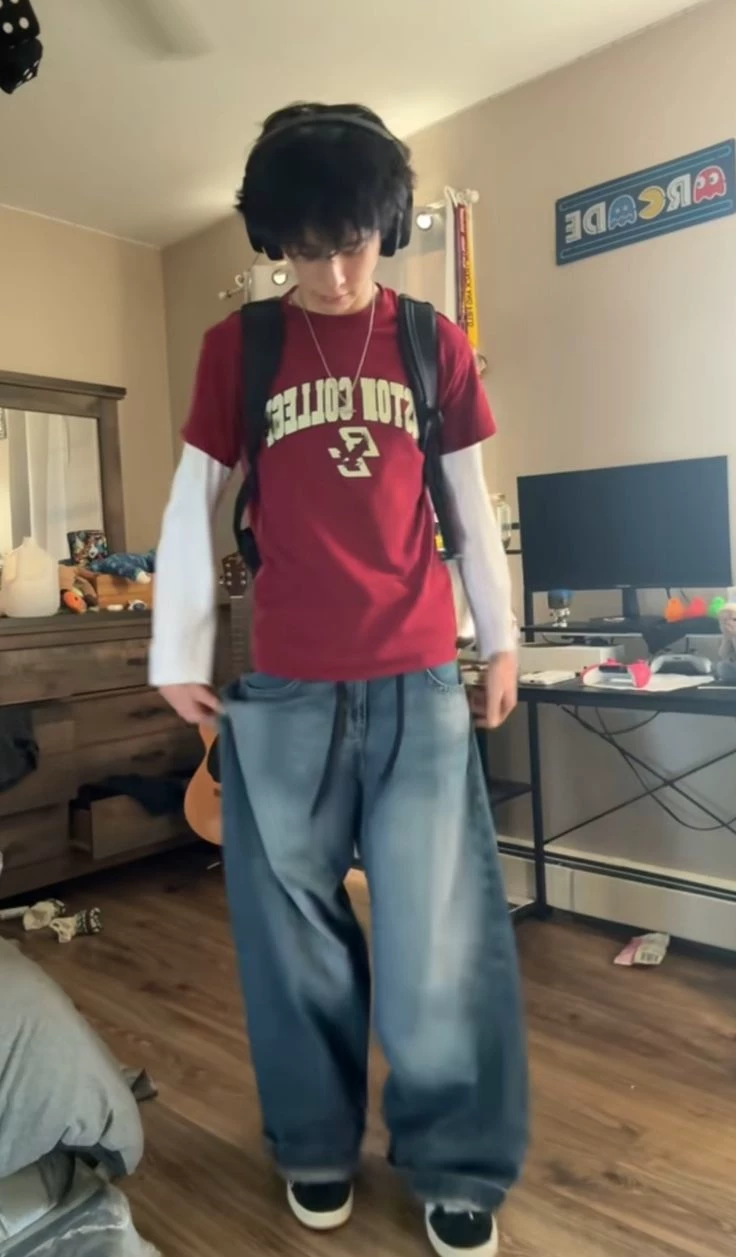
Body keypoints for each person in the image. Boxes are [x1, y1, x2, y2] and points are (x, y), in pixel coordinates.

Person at [151, 102, 528, 1257]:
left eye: (352, 244)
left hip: (416, 681)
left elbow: (468, 506)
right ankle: (314, 1146)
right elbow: (192, 502)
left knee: (439, 936)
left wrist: (500, 637)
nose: (331, 273)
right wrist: (176, 655)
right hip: (284, 692)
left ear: (387, 230)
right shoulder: (242, 349)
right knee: (293, 941)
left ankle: (455, 1162)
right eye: (306, 250)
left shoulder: (429, 343)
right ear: (276, 242)